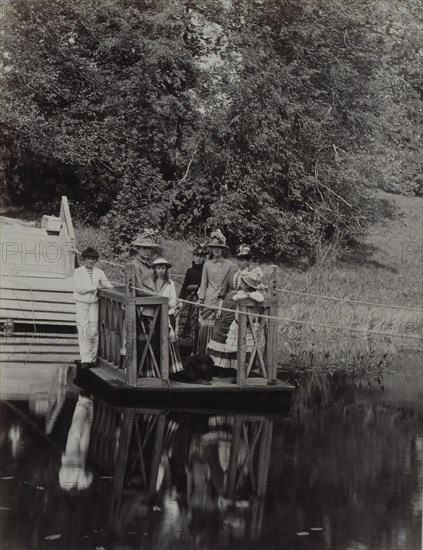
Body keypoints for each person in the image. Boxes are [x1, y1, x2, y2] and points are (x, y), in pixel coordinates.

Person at [207, 267, 266, 374]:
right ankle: (235, 371)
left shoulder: (255, 295)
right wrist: (246, 294)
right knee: (237, 347)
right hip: (238, 324)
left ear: (247, 285)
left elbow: (260, 298)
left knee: (245, 348)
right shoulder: (241, 293)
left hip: (249, 325)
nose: (240, 285)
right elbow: (235, 298)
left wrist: (250, 294)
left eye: (242, 283)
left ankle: (242, 372)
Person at [196, 230, 236, 355]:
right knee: (205, 332)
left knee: (219, 334)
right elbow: (203, 285)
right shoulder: (207, 265)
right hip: (208, 302)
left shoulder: (230, 265)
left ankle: (217, 363)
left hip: (223, 305)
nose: (215, 250)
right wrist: (201, 300)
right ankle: (203, 360)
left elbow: (231, 286)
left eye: (218, 247)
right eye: (213, 247)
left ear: (222, 249)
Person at [73, 247, 113, 368]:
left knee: (93, 330)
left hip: (94, 303)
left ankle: (93, 358)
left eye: (93, 259)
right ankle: (86, 359)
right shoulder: (78, 272)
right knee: (84, 329)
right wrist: (95, 287)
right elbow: (79, 289)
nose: (90, 261)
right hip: (81, 303)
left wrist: (109, 288)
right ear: (84, 259)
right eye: (88, 259)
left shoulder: (99, 272)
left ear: (96, 260)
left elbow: (107, 284)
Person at [129, 230, 161, 377]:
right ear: (137, 249)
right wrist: (156, 295)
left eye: (149, 248)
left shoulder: (148, 265)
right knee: (142, 339)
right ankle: (138, 371)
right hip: (142, 309)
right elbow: (138, 289)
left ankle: (151, 371)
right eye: (144, 248)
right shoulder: (134, 265)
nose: (148, 251)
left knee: (153, 339)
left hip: (152, 307)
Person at [152, 257, 183, 374]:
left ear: (166, 269)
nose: (160, 270)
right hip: (154, 315)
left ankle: (170, 369)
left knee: (168, 342)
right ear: (155, 269)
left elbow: (173, 302)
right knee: (155, 341)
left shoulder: (170, 284)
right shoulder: (151, 282)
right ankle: (156, 368)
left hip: (167, 315)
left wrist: (164, 302)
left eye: (163, 268)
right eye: (158, 268)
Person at [176, 244, 208, 358]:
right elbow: (185, 285)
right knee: (184, 322)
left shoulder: (205, 269)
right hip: (188, 299)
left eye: (201, 256)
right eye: (197, 256)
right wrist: (180, 300)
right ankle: (184, 351)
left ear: (204, 257)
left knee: (196, 325)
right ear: (193, 257)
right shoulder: (189, 270)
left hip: (199, 299)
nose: (199, 258)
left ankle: (195, 351)